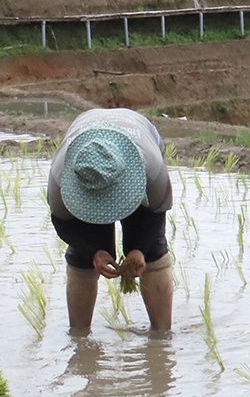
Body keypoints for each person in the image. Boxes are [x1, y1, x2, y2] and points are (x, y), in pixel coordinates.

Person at [48, 108, 174, 331]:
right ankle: (79, 336)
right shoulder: (61, 178)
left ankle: (162, 336)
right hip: (86, 139)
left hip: (139, 135)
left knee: (153, 254)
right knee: (82, 259)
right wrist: (93, 252)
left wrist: (139, 250)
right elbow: (62, 221)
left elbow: (156, 212)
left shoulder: (152, 170)